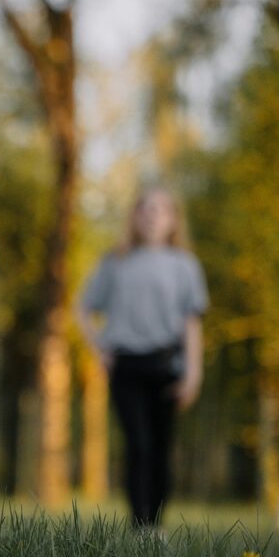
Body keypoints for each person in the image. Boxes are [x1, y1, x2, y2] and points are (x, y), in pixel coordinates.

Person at [76, 188, 208, 528]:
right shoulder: (116, 261)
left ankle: (156, 527)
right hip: (126, 368)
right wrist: (99, 350)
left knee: (161, 452)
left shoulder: (184, 265)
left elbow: (192, 324)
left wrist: (193, 374)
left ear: (173, 220)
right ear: (135, 216)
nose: (152, 216)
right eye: (145, 210)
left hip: (167, 368)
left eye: (161, 210)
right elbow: (84, 309)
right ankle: (140, 528)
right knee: (139, 446)